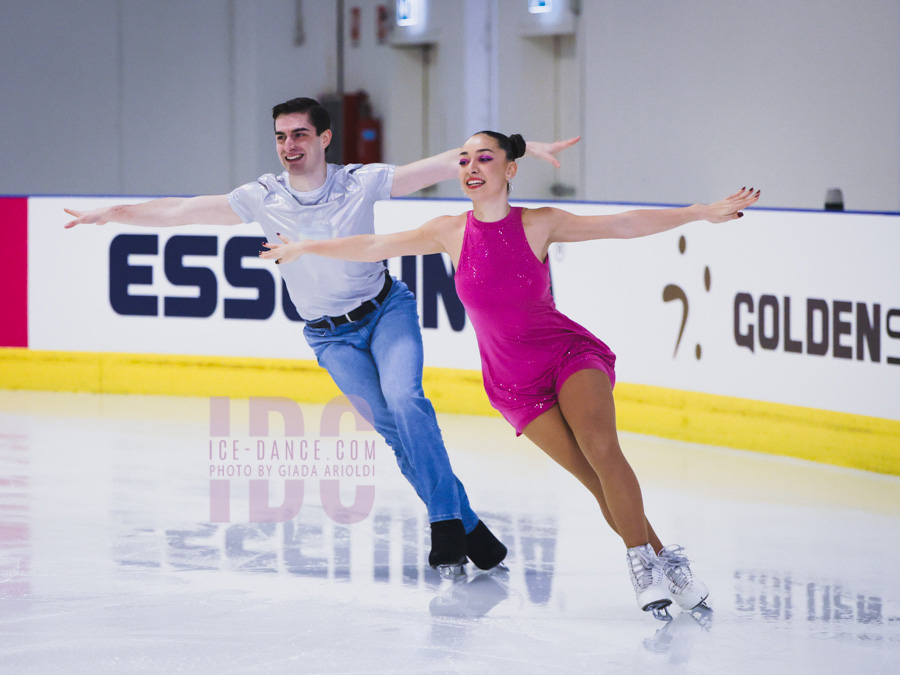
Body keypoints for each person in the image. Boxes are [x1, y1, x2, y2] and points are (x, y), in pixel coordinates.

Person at [63, 99, 579, 578]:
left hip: (385, 313)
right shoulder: (262, 197)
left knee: (407, 401)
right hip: (330, 339)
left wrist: (520, 146)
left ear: (324, 137)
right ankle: (471, 528)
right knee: (396, 435)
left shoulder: (359, 181)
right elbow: (182, 212)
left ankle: (444, 522)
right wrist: (112, 213)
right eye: (282, 136)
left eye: (300, 134)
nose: (290, 145)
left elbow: (447, 163)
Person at [260, 129, 761, 617]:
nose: (471, 168)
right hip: (513, 385)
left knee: (603, 452)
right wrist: (306, 249)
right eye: (464, 160)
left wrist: (699, 213)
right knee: (592, 479)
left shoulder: (540, 223)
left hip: (566, 356)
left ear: (510, 168)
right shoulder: (449, 231)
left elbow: (622, 224)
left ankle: (641, 567)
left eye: (484, 159)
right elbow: (373, 246)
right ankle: (666, 560)